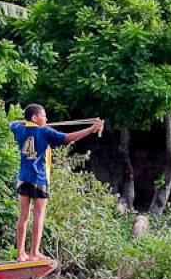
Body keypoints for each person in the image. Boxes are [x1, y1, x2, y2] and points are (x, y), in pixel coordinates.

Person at [10, 104, 103, 262]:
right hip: (38, 178)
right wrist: (90, 130)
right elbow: (67, 138)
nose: (46, 119)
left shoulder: (19, 129)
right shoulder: (44, 131)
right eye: (43, 116)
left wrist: (26, 122)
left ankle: (20, 254)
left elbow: (12, 123)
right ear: (34, 118)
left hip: (23, 177)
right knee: (39, 216)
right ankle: (33, 253)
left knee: (23, 216)